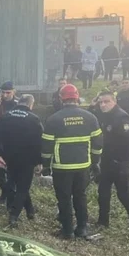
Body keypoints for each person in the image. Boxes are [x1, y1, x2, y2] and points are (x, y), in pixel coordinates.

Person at [41, 84, 103, 239]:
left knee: (64, 198)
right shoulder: (90, 117)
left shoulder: (53, 119)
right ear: (77, 97)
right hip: (83, 166)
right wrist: (95, 162)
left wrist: (46, 166)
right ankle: (82, 228)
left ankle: (67, 230)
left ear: (61, 99)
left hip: (62, 167)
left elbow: (46, 146)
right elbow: (98, 143)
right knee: (80, 196)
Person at [0, 94, 43, 228]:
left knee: (16, 182)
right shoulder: (34, 119)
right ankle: (13, 215)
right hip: (27, 159)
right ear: (31, 104)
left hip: (9, 157)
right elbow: (39, 142)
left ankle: (30, 211)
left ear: (19, 102)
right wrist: (39, 161)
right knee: (23, 188)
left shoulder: (5, 116)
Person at [93, 91, 129, 228]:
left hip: (120, 162)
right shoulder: (103, 115)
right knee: (103, 193)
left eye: (106, 101)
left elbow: (127, 142)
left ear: (114, 101)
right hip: (106, 161)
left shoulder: (121, 117)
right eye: (101, 102)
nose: (103, 105)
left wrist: (123, 164)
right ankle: (103, 221)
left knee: (123, 194)